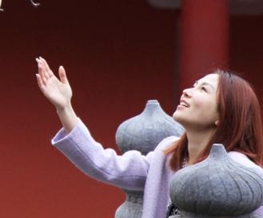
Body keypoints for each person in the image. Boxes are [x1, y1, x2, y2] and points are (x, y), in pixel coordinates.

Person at [35, 56, 263, 218]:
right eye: (194, 85)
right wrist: (64, 108)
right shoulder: (167, 155)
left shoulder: (244, 174)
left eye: (203, 89)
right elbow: (105, 165)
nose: (187, 91)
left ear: (223, 115)